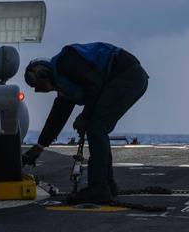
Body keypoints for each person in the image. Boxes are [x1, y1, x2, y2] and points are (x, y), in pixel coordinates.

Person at [22, 42, 149, 204]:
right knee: (98, 128)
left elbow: (93, 85)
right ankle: (107, 184)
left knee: (96, 129)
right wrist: (39, 147)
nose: (43, 89)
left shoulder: (65, 63)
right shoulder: (64, 85)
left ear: (42, 72)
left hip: (126, 75)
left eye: (38, 84)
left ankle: (98, 188)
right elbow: (57, 117)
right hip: (132, 78)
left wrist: (84, 117)